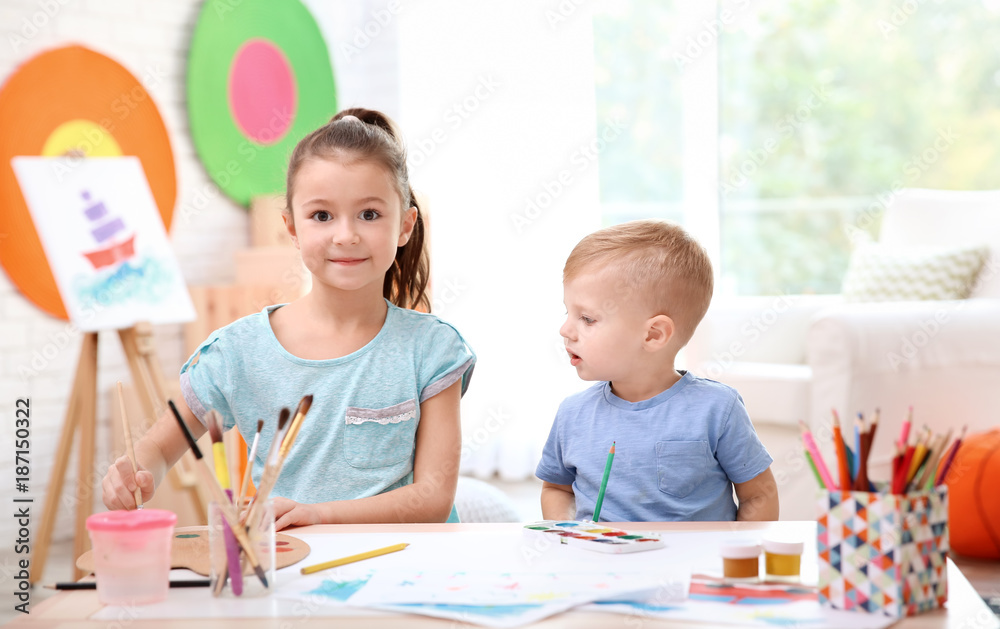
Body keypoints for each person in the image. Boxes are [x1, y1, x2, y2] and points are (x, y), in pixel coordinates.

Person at [102, 108, 475, 530]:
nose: (345, 235)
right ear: (292, 228)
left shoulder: (433, 349)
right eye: (321, 216)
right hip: (287, 567)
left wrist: (320, 515)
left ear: (405, 225)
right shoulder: (238, 351)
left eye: (369, 214)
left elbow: (433, 499)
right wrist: (137, 472)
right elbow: (159, 448)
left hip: (405, 567)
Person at [536, 220, 777, 522]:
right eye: (567, 312)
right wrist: (568, 531)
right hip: (599, 566)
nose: (565, 330)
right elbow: (557, 489)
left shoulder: (717, 409)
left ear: (653, 335)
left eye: (587, 318)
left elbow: (758, 494)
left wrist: (737, 560)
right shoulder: (572, 414)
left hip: (693, 568)